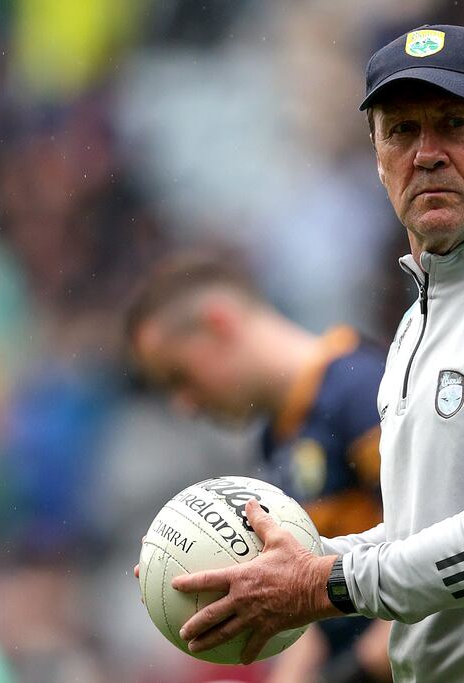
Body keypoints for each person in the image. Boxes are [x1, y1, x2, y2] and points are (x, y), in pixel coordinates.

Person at [164, 24, 464, 683]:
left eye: (455, 123)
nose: (427, 153)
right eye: (401, 131)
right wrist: (272, 566)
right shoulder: (423, 318)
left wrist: (320, 580)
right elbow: (419, 533)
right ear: (376, 156)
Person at [125, 251, 392, 682]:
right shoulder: (277, 442)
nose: (184, 406)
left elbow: (437, 543)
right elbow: (317, 609)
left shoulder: (363, 391)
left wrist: (364, 666)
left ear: (219, 324)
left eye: (179, 376)